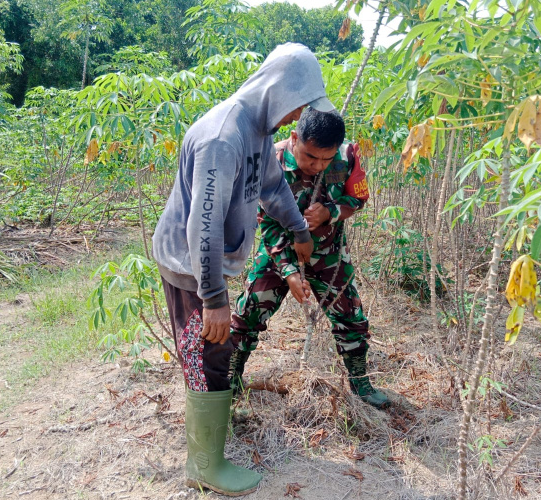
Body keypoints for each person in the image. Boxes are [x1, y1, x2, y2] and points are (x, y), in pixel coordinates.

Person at [151, 43, 335, 496]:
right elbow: (204, 225)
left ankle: (209, 447)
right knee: (207, 352)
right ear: (278, 90)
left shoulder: (256, 131)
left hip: (206, 264)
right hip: (188, 265)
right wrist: (213, 298)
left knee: (213, 350)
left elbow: (271, 186)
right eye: (296, 107)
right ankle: (204, 465)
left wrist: (299, 229)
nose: (297, 119)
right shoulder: (223, 137)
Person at [229, 108, 390, 410]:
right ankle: (230, 378)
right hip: (279, 250)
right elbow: (268, 222)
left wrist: (331, 211)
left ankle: (361, 382)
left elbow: (358, 199)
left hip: (328, 252)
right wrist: (289, 271)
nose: (317, 166)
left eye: (325, 160)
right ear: (294, 138)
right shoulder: (270, 160)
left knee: (350, 317)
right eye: (310, 157)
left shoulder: (347, 156)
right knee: (248, 313)